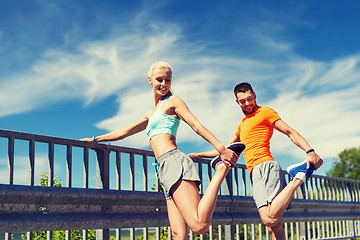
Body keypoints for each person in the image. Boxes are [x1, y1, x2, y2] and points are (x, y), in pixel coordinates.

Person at [81, 62, 241, 240]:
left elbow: (196, 125)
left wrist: (220, 149)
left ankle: (220, 168)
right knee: (178, 234)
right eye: (159, 80)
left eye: (168, 80)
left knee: (199, 225)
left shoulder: (173, 101)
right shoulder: (152, 113)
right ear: (149, 80)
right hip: (164, 169)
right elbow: (124, 132)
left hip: (175, 162)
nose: (164, 84)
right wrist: (95, 139)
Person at [190, 82, 323, 240]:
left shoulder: (265, 112)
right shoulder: (242, 124)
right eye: (242, 101)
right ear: (237, 102)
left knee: (269, 219)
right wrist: (199, 155)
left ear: (254, 95)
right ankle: (298, 176)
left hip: (266, 166)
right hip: (255, 171)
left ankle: (298, 177)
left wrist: (309, 151)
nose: (247, 103)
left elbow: (289, 131)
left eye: (249, 99)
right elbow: (226, 149)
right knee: (274, 226)